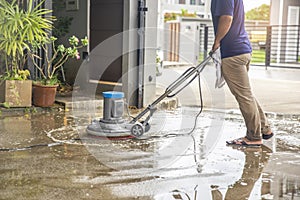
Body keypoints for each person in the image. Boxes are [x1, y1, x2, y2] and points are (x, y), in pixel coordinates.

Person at [210, 0, 273, 146]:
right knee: (247, 94)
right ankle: (265, 129)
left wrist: (217, 41)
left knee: (244, 97)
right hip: (242, 49)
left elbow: (227, 18)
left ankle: (253, 137)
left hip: (233, 54)